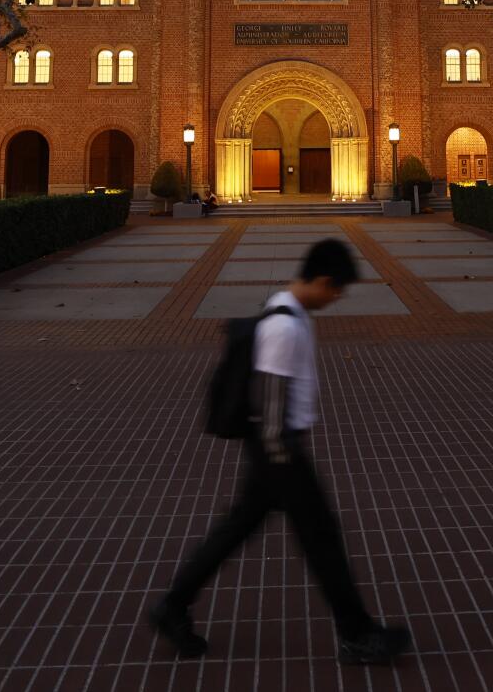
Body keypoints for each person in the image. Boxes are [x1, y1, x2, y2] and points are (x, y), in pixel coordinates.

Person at [148, 238, 411, 666]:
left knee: (237, 529)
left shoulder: (287, 307)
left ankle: (172, 606)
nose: (337, 298)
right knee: (322, 540)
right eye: (337, 290)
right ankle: (356, 633)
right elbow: (269, 402)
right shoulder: (285, 327)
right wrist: (284, 461)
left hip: (274, 452)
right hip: (279, 450)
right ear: (324, 281)